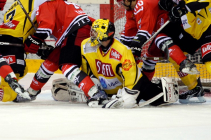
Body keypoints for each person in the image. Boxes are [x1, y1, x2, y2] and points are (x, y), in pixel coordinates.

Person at [51, 19, 179, 108]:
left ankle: (163, 87)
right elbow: (87, 71)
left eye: (95, 32)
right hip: (107, 89)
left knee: (158, 100)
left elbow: (131, 80)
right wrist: (92, 90)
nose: (92, 35)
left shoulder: (122, 50)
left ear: (104, 35)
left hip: (135, 84)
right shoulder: (86, 45)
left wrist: (127, 96)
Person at [114, 0, 206, 104]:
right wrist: (123, 50)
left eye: (122, 2)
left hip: (182, 27)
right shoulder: (132, 9)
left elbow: (144, 32)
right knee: (149, 59)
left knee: (160, 40)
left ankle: (184, 63)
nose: (121, 5)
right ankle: (141, 88)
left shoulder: (143, 3)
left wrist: (136, 47)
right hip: (167, 28)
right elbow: (128, 36)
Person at [0, 0, 64, 103]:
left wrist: (39, 49)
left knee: (23, 69)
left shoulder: (12, 9)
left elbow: (25, 38)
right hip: (11, 43)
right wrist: (63, 4)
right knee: (10, 93)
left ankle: (3, 85)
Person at [25, 0, 108, 103]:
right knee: (51, 61)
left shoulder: (46, 4)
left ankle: (95, 93)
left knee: (68, 65)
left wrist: (36, 40)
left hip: (76, 32)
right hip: (77, 32)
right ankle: (31, 92)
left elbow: (46, 27)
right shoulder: (64, 5)